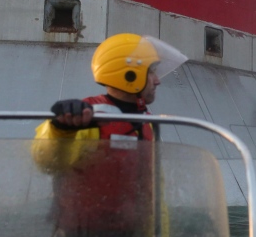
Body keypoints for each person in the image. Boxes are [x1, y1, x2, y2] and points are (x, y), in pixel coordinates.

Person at [31, 33, 188, 237]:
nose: (157, 81)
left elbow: (154, 196)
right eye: (151, 73)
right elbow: (46, 160)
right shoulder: (85, 117)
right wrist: (61, 128)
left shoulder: (146, 122)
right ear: (130, 74)